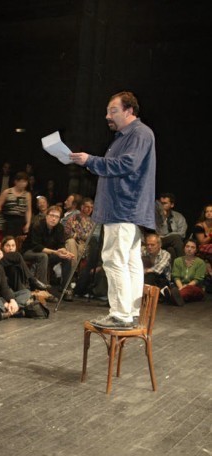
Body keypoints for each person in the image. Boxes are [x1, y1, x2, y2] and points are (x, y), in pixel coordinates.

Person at [70, 91, 156, 328]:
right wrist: (89, 162)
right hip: (125, 207)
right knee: (129, 261)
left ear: (129, 111)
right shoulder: (125, 136)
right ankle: (131, 312)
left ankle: (121, 314)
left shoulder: (138, 133)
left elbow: (128, 164)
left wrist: (90, 160)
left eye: (113, 110)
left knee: (114, 259)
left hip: (123, 207)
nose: (107, 115)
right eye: (107, 111)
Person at [22, 205, 75, 298]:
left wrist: (65, 252)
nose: (53, 219)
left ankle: (65, 289)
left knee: (66, 258)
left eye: (57, 217)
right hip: (30, 251)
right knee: (43, 256)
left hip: (48, 253)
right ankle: (42, 289)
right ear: (46, 216)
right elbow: (36, 246)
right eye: (52, 215)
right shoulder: (37, 225)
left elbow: (61, 244)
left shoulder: (59, 228)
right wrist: (55, 252)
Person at [170, 239, 206, 304]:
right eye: (187, 246)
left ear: (196, 250)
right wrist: (181, 287)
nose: (189, 249)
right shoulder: (177, 261)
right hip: (180, 287)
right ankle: (177, 298)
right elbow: (176, 277)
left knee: (189, 290)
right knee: (172, 287)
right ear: (184, 248)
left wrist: (184, 288)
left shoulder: (200, 262)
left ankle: (172, 297)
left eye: (192, 247)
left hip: (195, 288)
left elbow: (197, 280)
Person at [155, 193, 187, 260]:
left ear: (172, 205)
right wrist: (162, 217)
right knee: (175, 238)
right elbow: (157, 234)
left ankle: (176, 269)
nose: (161, 206)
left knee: (171, 249)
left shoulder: (178, 216)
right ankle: (185, 265)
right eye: (160, 203)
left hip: (175, 242)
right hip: (159, 241)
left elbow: (182, 234)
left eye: (164, 203)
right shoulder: (155, 216)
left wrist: (170, 236)